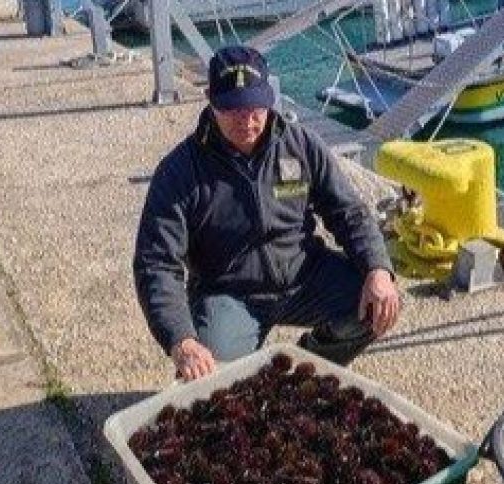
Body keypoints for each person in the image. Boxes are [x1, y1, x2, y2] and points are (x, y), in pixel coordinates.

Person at [133, 46, 400, 381]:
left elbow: (348, 212)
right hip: (230, 292)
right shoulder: (179, 171)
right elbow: (156, 262)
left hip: (303, 274)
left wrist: (378, 269)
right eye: (232, 108)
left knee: (378, 303)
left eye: (255, 107)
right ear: (210, 100)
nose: (246, 120)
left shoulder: (301, 144)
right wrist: (181, 340)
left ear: (269, 98)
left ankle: (307, 369)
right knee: (211, 375)